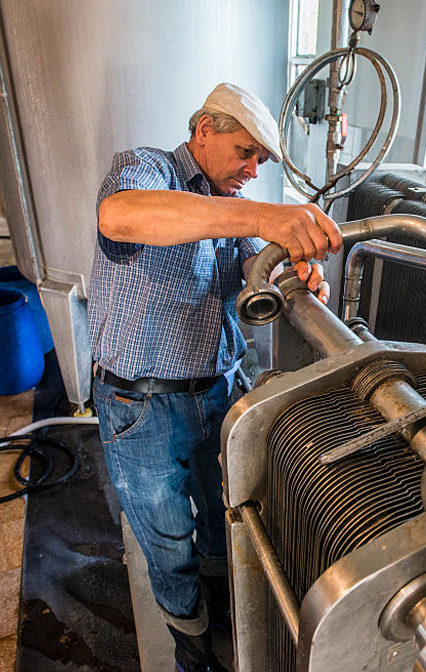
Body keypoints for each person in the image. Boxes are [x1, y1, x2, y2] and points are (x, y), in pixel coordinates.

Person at [88, 82, 341, 672]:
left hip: (220, 393)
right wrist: (261, 214)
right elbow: (120, 216)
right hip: (141, 406)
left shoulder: (228, 209)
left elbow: (259, 265)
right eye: (245, 152)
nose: (252, 170)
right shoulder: (145, 169)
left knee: (225, 512)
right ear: (204, 130)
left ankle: (219, 609)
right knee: (168, 539)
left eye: (261, 161)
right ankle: (191, 648)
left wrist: (295, 275)